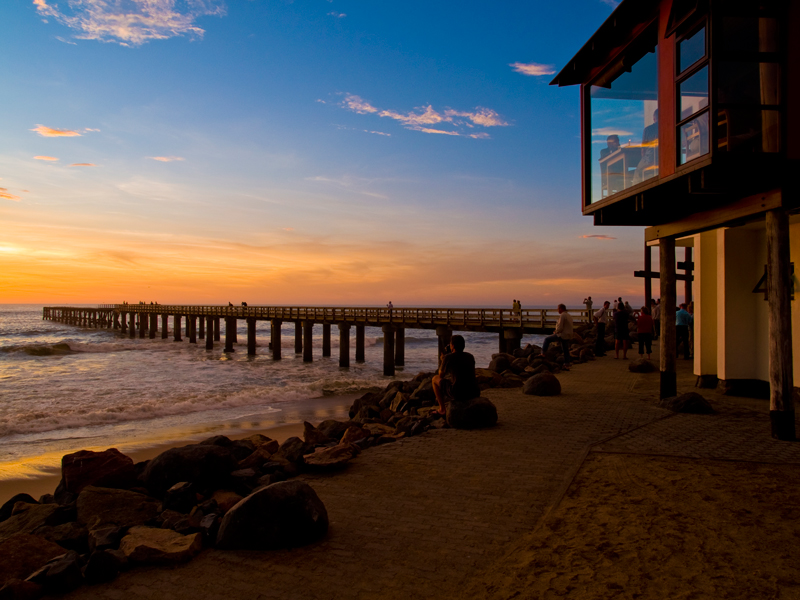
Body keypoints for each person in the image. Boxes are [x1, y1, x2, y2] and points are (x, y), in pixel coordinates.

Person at [432, 334, 480, 416]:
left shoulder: (448, 358)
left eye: (450, 344)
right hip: (474, 391)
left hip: (458, 392)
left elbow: (441, 375)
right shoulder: (470, 356)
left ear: (452, 345)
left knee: (434, 379)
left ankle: (442, 409)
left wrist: (443, 360)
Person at [541, 304, 573, 370]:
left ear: (561, 309)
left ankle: (543, 353)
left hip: (562, 334)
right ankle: (567, 364)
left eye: (558, 308)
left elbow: (560, 327)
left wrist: (556, 331)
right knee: (565, 349)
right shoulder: (569, 315)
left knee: (547, 339)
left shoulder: (562, 315)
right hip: (568, 334)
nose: (557, 310)